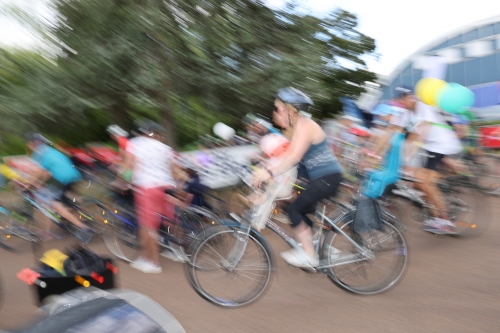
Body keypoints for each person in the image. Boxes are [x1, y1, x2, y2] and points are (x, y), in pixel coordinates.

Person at [253, 87, 343, 268]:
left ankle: (310, 256)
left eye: (278, 109)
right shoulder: (297, 127)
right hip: (321, 178)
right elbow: (287, 156)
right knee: (295, 209)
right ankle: (320, 247)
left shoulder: (305, 125)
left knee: (294, 210)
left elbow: (294, 158)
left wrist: (269, 173)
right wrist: (265, 169)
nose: (276, 113)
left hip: (328, 177)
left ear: (289, 109)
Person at [126, 120, 178, 273]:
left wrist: (123, 182)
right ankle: (176, 250)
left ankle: (152, 263)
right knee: (170, 220)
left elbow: (129, 166)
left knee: (148, 226)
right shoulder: (165, 147)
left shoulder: (135, 144)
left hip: (146, 186)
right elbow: (173, 169)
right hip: (167, 185)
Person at [25, 132, 93, 243]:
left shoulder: (38, 153)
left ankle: (84, 228)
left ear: (32, 143)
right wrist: (40, 182)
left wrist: (29, 184)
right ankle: (84, 212)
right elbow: (46, 172)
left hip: (62, 178)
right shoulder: (49, 150)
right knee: (65, 196)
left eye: (29, 143)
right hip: (74, 174)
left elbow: (38, 172)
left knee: (56, 205)